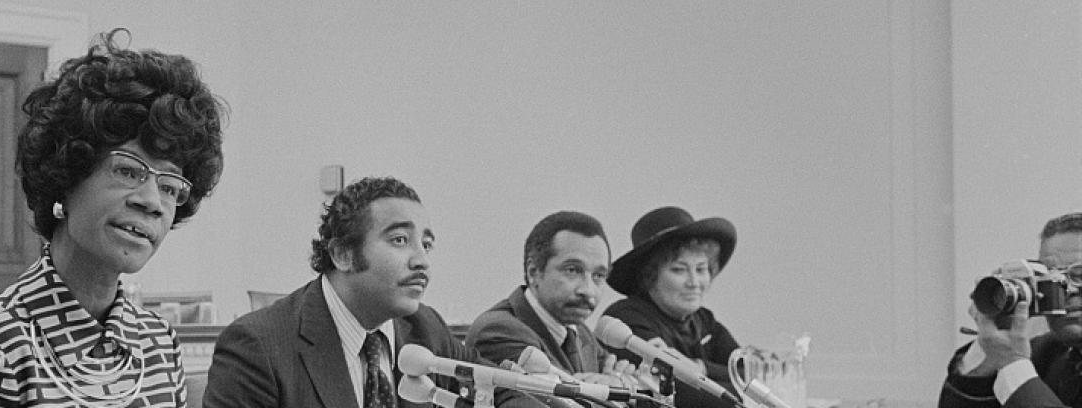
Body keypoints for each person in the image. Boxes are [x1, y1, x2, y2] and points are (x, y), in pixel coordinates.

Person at [0, 29, 227, 408]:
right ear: (67, 176)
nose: (152, 202)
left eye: (169, 185)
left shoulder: (158, 341)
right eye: (128, 170)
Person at [202, 177, 545, 408]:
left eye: (427, 245)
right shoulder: (258, 345)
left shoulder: (426, 329)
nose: (422, 261)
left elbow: (502, 392)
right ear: (343, 254)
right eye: (400, 240)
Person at [466, 211, 645, 408]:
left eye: (598, 276)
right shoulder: (498, 331)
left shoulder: (581, 334)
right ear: (533, 272)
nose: (588, 290)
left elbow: (624, 385)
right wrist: (608, 393)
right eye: (572, 270)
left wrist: (618, 384)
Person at [600, 206, 741, 408]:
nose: (694, 282)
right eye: (679, 270)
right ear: (649, 276)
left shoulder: (704, 321)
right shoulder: (626, 319)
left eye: (701, 269)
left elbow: (753, 374)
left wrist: (700, 368)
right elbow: (681, 395)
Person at [939, 212, 1082, 408]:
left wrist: (1012, 365)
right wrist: (988, 344)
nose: (1066, 290)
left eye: (1079, 274)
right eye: (1050, 277)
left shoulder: (1020, 358)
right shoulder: (1046, 353)